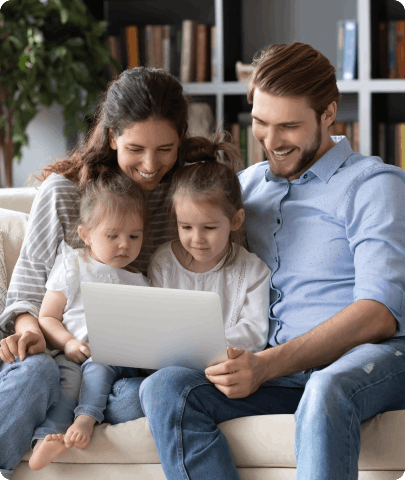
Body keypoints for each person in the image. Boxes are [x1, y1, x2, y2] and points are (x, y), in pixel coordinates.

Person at [139, 42, 405, 480]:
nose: (272, 141)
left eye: (289, 126)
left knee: (326, 386)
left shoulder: (373, 185)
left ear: (328, 114)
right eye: (261, 123)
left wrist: (266, 365)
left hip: (367, 360)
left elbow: (379, 314)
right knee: (166, 387)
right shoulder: (245, 188)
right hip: (277, 372)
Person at [0, 66, 189, 480]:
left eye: (166, 149)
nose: (150, 165)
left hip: (128, 370)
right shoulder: (67, 194)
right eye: (135, 148)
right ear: (112, 137)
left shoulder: (184, 199)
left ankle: (74, 418)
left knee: (149, 395)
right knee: (37, 374)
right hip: (58, 354)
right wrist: (32, 331)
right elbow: (25, 297)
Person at [29, 173, 150, 471]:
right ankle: (48, 438)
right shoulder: (73, 265)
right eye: (113, 236)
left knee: (99, 368)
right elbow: (47, 316)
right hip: (73, 353)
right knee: (67, 384)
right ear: (86, 234)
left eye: (134, 236)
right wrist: (68, 342)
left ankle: (86, 418)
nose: (125, 245)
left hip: (117, 358)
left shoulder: (140, 280)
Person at [148, 134, 270, 353]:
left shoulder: (253, 271)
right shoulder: (163, 263)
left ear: (236, 220)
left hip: (225, 371)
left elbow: (254, 335)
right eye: (186, 227)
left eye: (209, 228)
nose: (197, 239)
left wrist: (196, 346)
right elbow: (154, 326)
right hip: (170, 365)